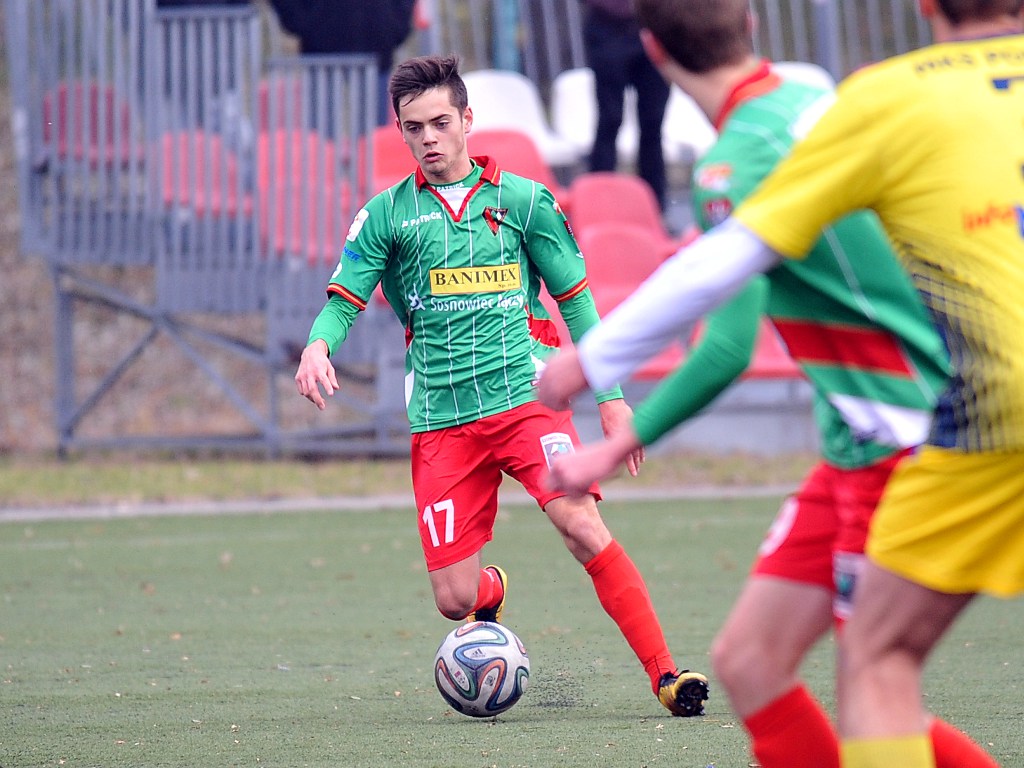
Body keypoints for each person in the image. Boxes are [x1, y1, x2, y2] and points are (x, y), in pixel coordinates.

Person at [537, 1, 1024, 765]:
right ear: (754, 23)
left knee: (875, 677)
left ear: (653, 51)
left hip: (900, 439)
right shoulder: (817, 101)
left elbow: (727, 344)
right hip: (858, 442)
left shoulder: (736, 164)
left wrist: (598, 387)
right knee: (751, 661)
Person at [293, 53, 709, 717]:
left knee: (582, 526)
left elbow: (577, 302)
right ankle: (489, 591)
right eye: (413, 128)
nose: (428, 138)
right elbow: (344, 300)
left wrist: (610, 399)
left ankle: (667, 675)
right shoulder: (386, 216)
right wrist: (319, 345)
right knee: (455, 600)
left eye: (440, 122)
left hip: (527, 402)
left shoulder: (525, 202)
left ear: (467, 120)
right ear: (401, 131)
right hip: (443, 420)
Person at [582, 0, 670, 210]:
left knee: (653, 124)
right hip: (607, 30)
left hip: (653, 28)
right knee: (610, 120)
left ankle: (654, 208)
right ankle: (598, 206)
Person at [269, 0, 416, 125]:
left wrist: (395, 25)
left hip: (375, 48)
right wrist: (300, 21)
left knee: (375, 139)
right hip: (320, 52)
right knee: (320, 138)